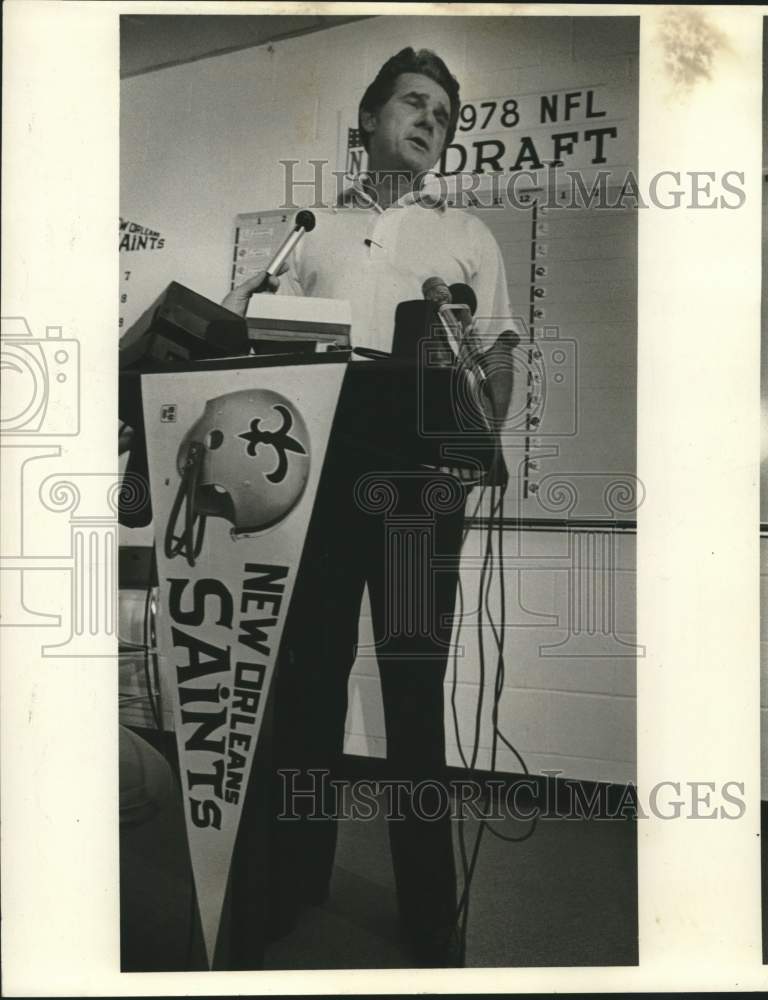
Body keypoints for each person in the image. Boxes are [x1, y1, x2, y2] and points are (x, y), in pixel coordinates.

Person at [223, 47, 518, 969]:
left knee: (414, 696)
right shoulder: (310, 235)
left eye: (444, 113)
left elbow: (499, 355)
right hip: (319, 481)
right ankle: (286, 886)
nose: (431, 120)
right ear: (369, 117)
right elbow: (260, 347)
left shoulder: (468, 234)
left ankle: (431, 916)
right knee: (307, 687)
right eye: (414, 103)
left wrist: (476, 435)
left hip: (419, 488)